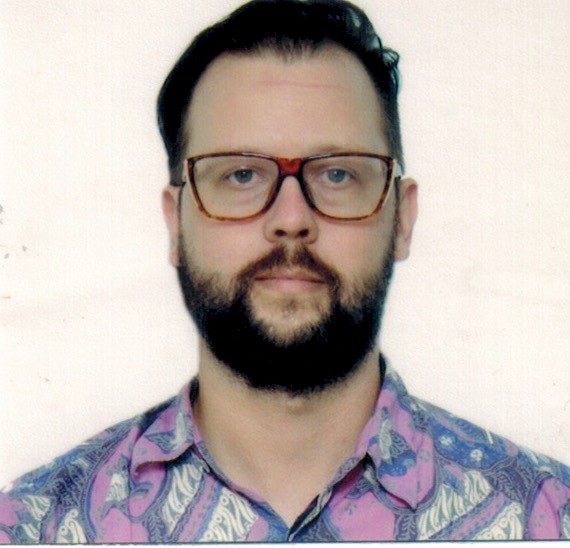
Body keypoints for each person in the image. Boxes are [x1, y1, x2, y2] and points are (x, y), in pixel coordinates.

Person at [1, 0, 568, 542]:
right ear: (176, 224)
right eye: (241, 175)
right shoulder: (34, 528)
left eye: (339, 174)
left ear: (402, 218)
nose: (291, 219)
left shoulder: (549, 519)